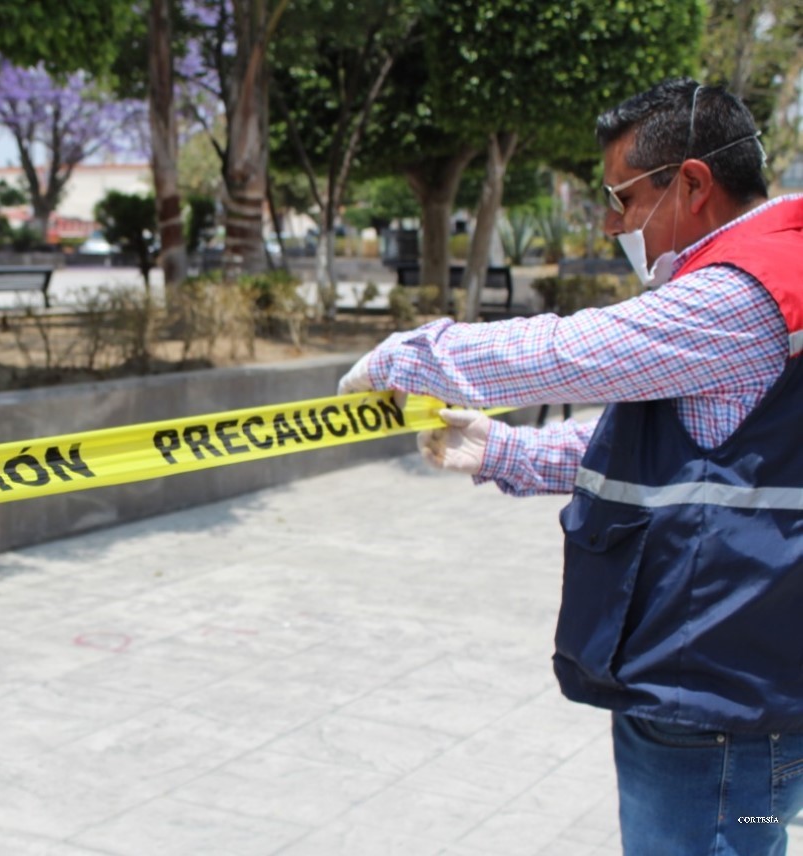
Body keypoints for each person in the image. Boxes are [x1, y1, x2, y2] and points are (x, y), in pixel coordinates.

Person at [338, 78, 803, 855]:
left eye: (622, 197)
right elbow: (692, 454)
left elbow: (568, 351)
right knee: (748, 829)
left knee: (720, 836)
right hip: (735, 693)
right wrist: (504, 451)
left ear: (690, 184)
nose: (612, 222)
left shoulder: (742, 291)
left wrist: (411, 356)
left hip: (717, 706)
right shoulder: (772, 265)